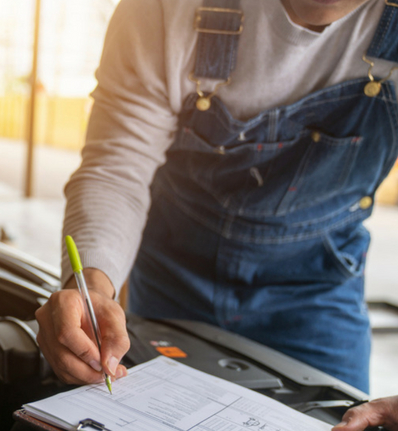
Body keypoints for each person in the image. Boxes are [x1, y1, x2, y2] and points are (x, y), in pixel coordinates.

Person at [35, 0, 398, 394]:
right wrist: (91, 290)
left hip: (318, 297)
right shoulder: (163, 8)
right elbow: (118, 167)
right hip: (172, 282)